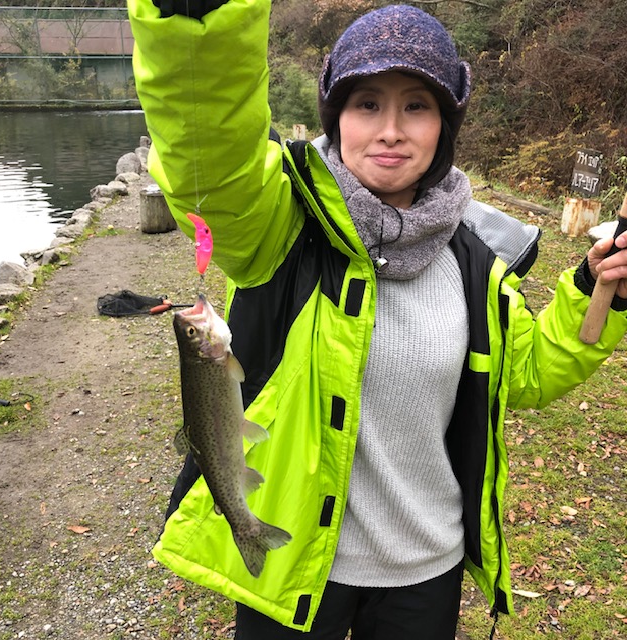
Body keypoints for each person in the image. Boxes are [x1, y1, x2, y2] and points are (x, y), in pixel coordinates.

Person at [128, 2, 627, 638]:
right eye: (367, 104)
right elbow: (210, 148)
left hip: (427, 570)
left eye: (416, 106)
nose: (390, 130)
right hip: (292, 562)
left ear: (444, 126)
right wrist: (196, 27)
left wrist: (594, 290)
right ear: (335, 117)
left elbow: (526, 373)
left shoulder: (477, 260)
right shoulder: (277, 228)